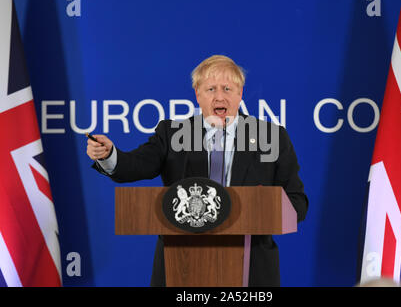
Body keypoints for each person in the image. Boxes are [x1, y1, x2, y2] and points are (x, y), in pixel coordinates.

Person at [86, 55, 308, 286]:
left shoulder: (271, 137)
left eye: (227, 88)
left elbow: (297, 202)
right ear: (197, 94)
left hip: (251, 270)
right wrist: (109, 155)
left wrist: (265, 207)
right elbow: (135, 166)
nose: (219, 96)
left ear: (240, 93)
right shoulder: (172, 134)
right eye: (211, 88)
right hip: (179, 268)